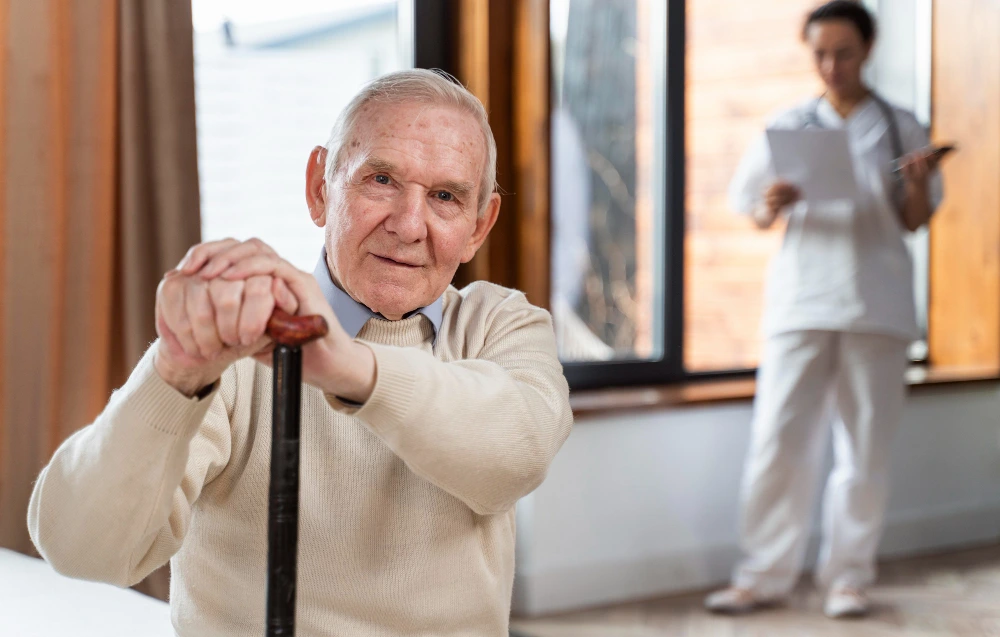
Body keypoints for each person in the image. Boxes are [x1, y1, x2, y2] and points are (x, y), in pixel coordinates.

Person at [27, 69, 573, 636]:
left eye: (444, 197)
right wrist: (175, 374)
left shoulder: (501, 324)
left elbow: (517, 453)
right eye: (381, 179)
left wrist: (344, 367)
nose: (410, 226)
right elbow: (81, 549)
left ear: (479, 227)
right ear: (320, 188)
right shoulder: (243, 341)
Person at [704, 1, 944, 619]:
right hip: (801, 303)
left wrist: (916, 181)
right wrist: (773, 201)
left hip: (877, 305)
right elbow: (753, 210)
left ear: (868, 50)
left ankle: (848, 577)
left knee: (864, 450)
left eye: (843, 52)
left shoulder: (901, 125)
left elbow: (915, 220)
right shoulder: (788, 125)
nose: (831, 65)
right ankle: (762, 575)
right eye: (820, 53)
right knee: (778, 441)